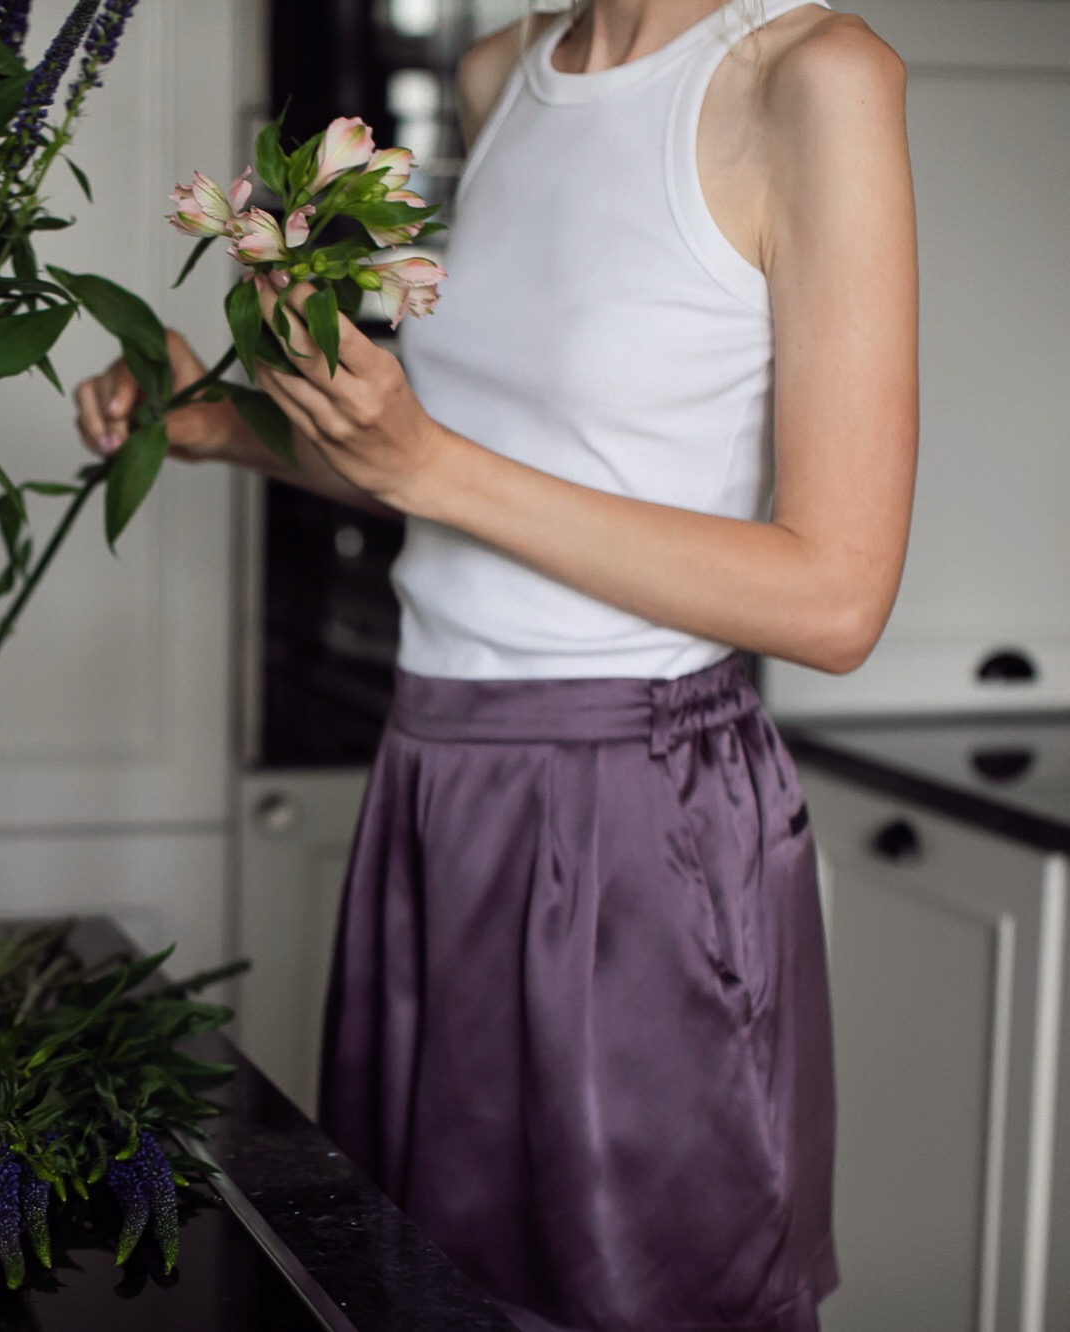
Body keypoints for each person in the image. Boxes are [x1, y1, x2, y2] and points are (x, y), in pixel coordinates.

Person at [73, 0, 917, 1327]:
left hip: (639, 815)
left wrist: (427, 463)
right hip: (432, 778)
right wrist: (220, 422)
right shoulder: (501, 72)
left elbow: (836, 597)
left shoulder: (812, 75)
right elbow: (491, 467)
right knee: (416, 1290)